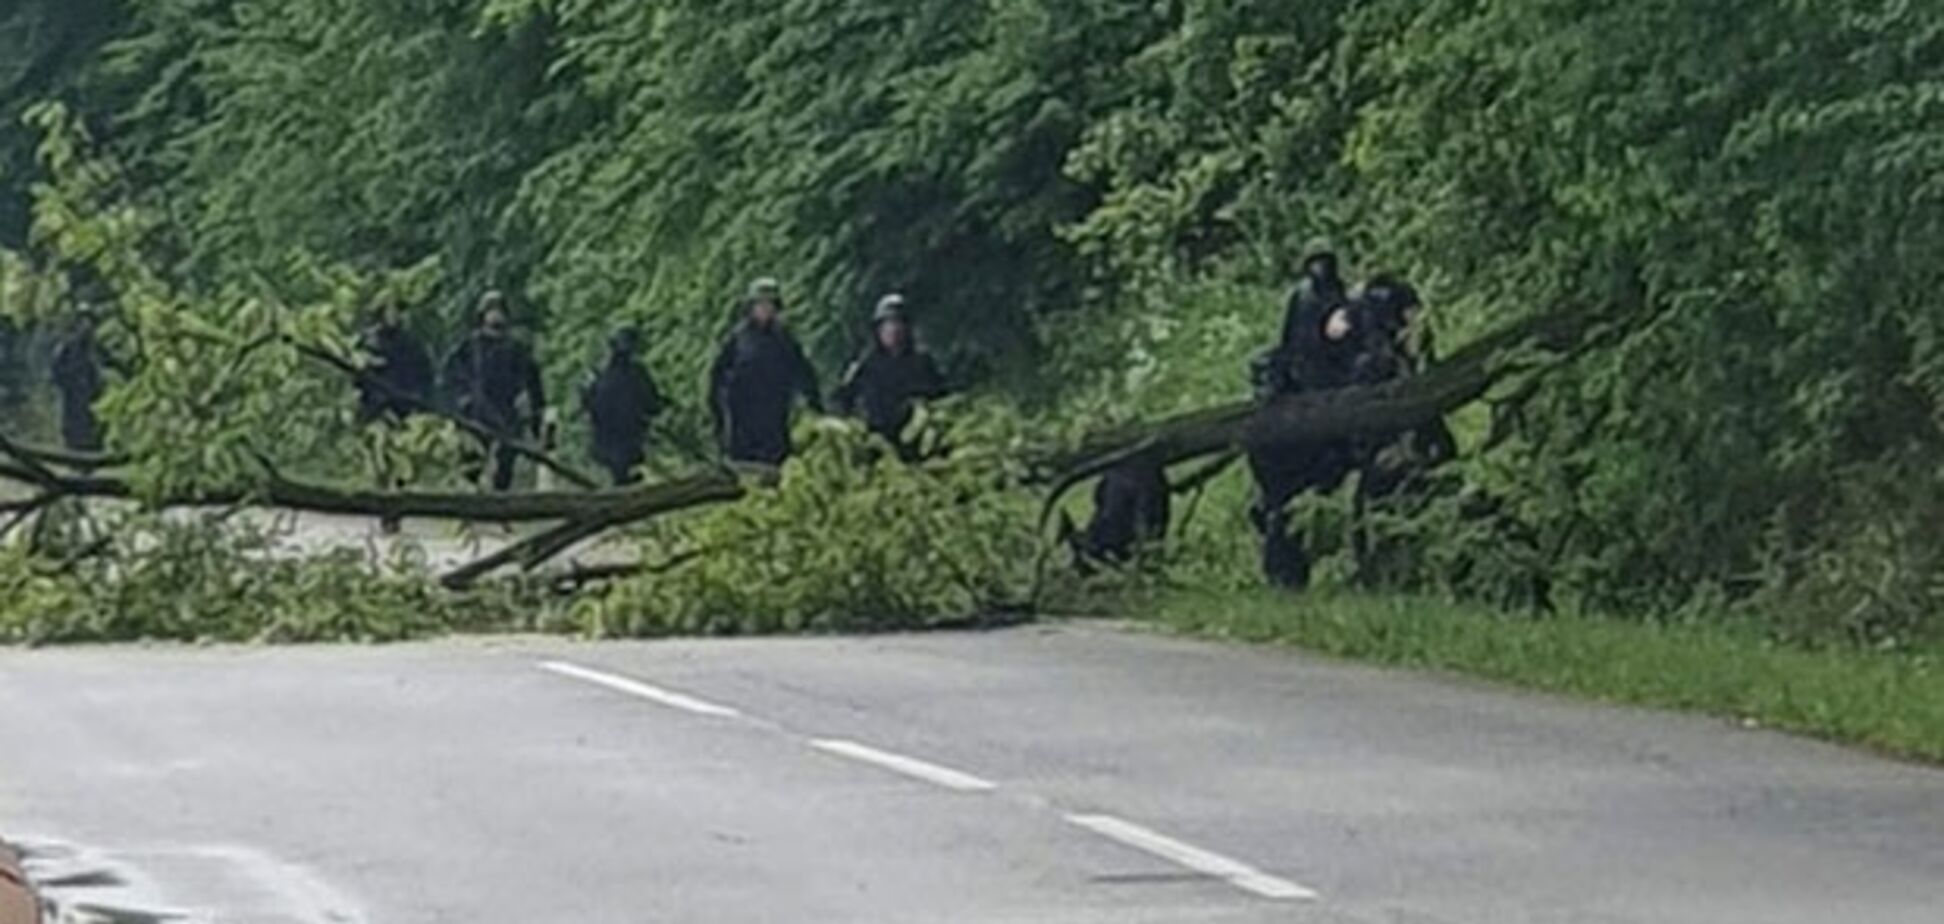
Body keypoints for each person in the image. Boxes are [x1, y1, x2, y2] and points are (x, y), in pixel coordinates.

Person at [708, 278, 823, 465]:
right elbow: (717, 375)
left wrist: (814, 404)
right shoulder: (737, 339)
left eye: (769, 305)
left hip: (775, 416)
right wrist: (718, 415)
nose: (765, 310)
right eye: (760, 305)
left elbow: (804, 372)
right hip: (744, 418)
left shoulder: (784, 339)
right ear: (751, 307)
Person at [444, 291, 546, 492]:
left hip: (506, 410)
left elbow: (533, 382)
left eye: (499, 311)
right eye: (491, 311)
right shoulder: (470, 347)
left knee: (506, 461)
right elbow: (451, 376)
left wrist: (535, 415)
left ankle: (500, 501)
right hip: (477, 409)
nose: (496, 316)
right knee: (471, 461)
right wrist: (461, 400)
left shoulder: (516, 348)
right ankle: (469, 500)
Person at [833, 294, 946, 459]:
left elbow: (941, 398)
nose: (894, 330)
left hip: (917, 445)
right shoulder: (866, 364)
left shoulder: (922, 362)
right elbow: (842, 398)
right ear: (879, 330)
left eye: (898, 323)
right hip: (877, 445)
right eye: (888, 324)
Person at [582, 326, 665, 485]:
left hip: (610, 437)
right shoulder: (635, 373)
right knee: (622, 465)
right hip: (623, 435)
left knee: (620, 467)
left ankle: (622, 484)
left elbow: (589, 405)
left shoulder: (601, 375)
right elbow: (652, 404)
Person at [50, 308, 106, 453]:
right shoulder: (66, 349)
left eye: (90, 323)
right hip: (73, 404)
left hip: (93, 406)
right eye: (83, 321)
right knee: (75, 440)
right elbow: (56, 373)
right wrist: (71, 382)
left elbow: (102, 374)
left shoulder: (98, 349)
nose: (87, 326)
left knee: (92, 441)